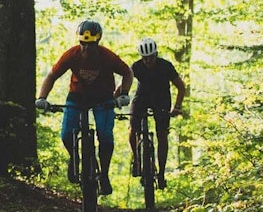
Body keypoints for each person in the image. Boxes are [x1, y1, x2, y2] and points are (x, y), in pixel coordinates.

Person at [35, 19, 133, 196]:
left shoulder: (107, 56)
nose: (86, 48)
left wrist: (124, 93)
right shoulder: (72, 55)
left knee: (105, 136)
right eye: (83, 44)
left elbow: (127, 72)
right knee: (66, 134)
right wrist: (42, 97)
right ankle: (74, 158)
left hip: (103, 98)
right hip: (77, 97)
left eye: (91, 44)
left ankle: (104, 174)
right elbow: (52, 76)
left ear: (98, 41)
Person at [128, 37, 186, 190]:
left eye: (151, 57)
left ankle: (161, 173)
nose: (148, 61)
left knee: (162, 134)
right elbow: (125, 83)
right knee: (133, 127)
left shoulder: (166, 66)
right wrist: (116, 97)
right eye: (145, 58)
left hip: (161, 99)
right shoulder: (137, 66)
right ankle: (137, 159)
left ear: (156, 54)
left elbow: (181, 87)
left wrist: (177, 107)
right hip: (142, 97)